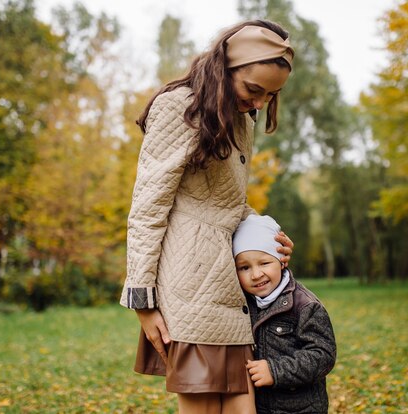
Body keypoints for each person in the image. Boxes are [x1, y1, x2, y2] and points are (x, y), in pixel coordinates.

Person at [120, 20, 295, 414]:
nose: (261, 103)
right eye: (253, 90)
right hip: (189, 286)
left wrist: (267, 235)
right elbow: (148, 207)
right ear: (226, 66)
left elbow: (229, 203)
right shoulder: (180, 107)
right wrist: (143, 302)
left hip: (229, 290)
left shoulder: (238, 117)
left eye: (272, 95)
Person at [233, 215, 337, 414]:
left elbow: (323, 355)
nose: (256, 275)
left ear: (281, 261)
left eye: (264, 263)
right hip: (261, 407)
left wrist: (275, 370)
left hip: (301, 408)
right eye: (244, 267)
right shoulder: (244, 304)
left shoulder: (304, 305)